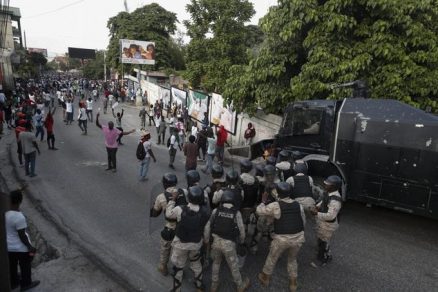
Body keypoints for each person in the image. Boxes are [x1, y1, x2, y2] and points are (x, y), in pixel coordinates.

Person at [256, 182, 306, 292]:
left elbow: (259, 211)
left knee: (272, 258)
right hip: (298, 237)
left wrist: (263, 201)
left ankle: (265, 278)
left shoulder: (275, 206)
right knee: (292, 260)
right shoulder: (298, 205)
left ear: (278, 193)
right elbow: (303, 221)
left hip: (282, 239)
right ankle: (293, 283)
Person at [204, 190, 250, 292]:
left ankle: (214, 285)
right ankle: (240, 285)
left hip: (216, 242)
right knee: (233, 266)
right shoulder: (236, 212)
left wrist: (207, 240)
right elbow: (242, 230)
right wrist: (241, 241)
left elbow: (208, 226)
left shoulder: (216, 211)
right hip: (229, 245)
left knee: (216, 263)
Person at [166, 186, 210, 292]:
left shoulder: (180, 209)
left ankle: (177, 289)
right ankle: (199, 286)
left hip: (180, 244)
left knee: (178, 266)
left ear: (188, 198)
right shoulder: (205, 213)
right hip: (196, 244)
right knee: (196, 264)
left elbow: (168, 214)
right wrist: (205, 242)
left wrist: (172, 200)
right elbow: (206, 232)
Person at [150, 173, 187, 276]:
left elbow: (155, 213)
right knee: (179, 252)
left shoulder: (161, 197)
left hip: (169, 228)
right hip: (182, 228)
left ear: (164, 184)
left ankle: (163, 266)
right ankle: (178, 271)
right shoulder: (184, 191)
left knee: (165, 249)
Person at [5, 189, 40, 291]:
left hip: (8, 247)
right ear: (20, 200)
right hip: (20, 247)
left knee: (12, 266)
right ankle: (25, 284)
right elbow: (22, 235)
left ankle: (14, 283)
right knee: (25, 265)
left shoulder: (5, 213)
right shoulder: (19, 217)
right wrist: (30, 247)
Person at [311, 175, 342, 265]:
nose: (325, 186)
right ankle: (327, 254)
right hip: (323, 221)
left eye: (328, 185)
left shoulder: (335, 200)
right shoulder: (328, 193)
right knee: (322, 239)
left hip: (329, 224)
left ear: (334, 187)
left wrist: (316, 213)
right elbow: (324, 201)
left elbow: (331, 216)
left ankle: (322, 260)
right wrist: (317, 206)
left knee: (324, 242)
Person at [239, 159, 259, 245]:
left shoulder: (238, 180)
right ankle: (250, 243)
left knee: (241, 225)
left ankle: (241, 242)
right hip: (251, 207)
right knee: (250, 225)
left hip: (241, 207)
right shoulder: (256, 180)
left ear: (242, 168)